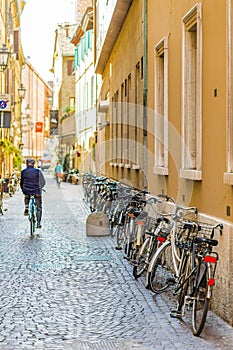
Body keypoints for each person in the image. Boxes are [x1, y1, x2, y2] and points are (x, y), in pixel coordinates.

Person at [20, 158, 46, 229]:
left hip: (27, 190)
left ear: (26, 164)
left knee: (27, 196)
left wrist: (23, 189)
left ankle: (26, 206)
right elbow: (43, 181)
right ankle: (38, 223)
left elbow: (21, 182)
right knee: (39, 207)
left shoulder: (23, 172)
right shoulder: (38, 171)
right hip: (36, 191)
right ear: (34, 164)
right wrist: (40, 187)